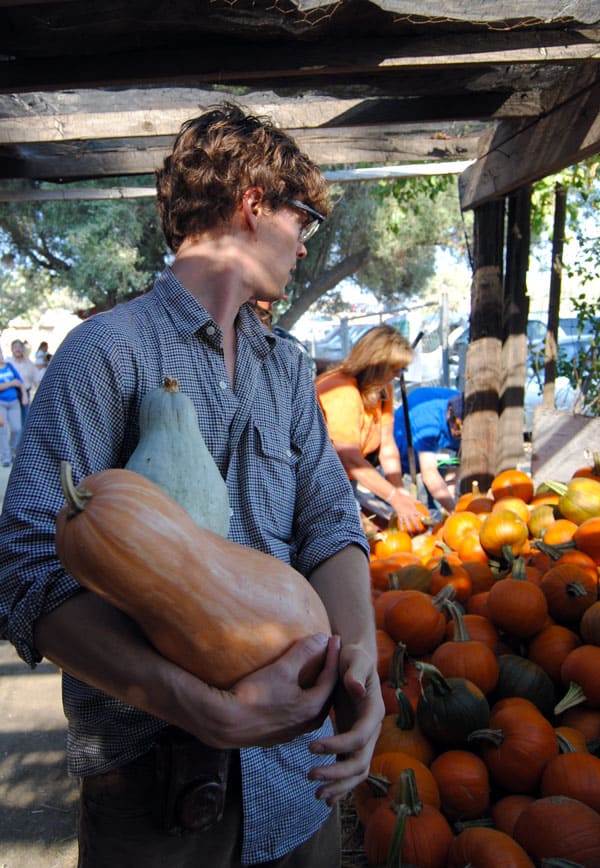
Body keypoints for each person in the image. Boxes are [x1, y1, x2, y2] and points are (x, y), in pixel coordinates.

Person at [0, 103, 384, 868]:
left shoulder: (286, 368)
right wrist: (190, 702)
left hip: (298, 781)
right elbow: (24, 570)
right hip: (153, 789)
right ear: (253, 201)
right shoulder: (105, 353)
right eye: (302, 217)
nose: (306, 244)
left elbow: (331, 524)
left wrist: (361, 662)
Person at [315, 324, 424, 532]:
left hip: (344, 478)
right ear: (376, 365)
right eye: (395, 369)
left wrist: (399, 489)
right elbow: (349, 458)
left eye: (401, 369)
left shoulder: (383, 389)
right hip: (316, 482)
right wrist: (393, 498)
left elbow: (388, 445)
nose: (397, 375)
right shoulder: (342, 390)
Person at [394, 386, 463, 513]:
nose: (458, 432)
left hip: (440, 452)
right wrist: (454, 511)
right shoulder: (427, 422)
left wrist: (450, 495)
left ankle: (437, 509)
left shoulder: (467, 411)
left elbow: (456, 459)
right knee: (399, 472)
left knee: (444, 498)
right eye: (457, 427)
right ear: (449, 412)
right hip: (405, 437)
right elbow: (429, 472)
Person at [0, 345, 27, 466]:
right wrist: (11, 383)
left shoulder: (9, 366)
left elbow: (19, 381)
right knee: (3, 429)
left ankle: (10, 451)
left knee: (17, 428)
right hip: (1, 403)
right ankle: (5, 456)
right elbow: (14, 382)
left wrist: (24, 395)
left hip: (14, 402)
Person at [7, 339, 40, 428]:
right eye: (15, 347)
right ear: (12, 349)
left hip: (25, 394)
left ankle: (21, 441)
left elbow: (36, 381)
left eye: (19, 347)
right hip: (11, 394)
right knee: (13, 423)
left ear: (23, 349)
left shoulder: (30, 364)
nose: (17, 349)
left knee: (24, 421)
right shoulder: (8, 363)